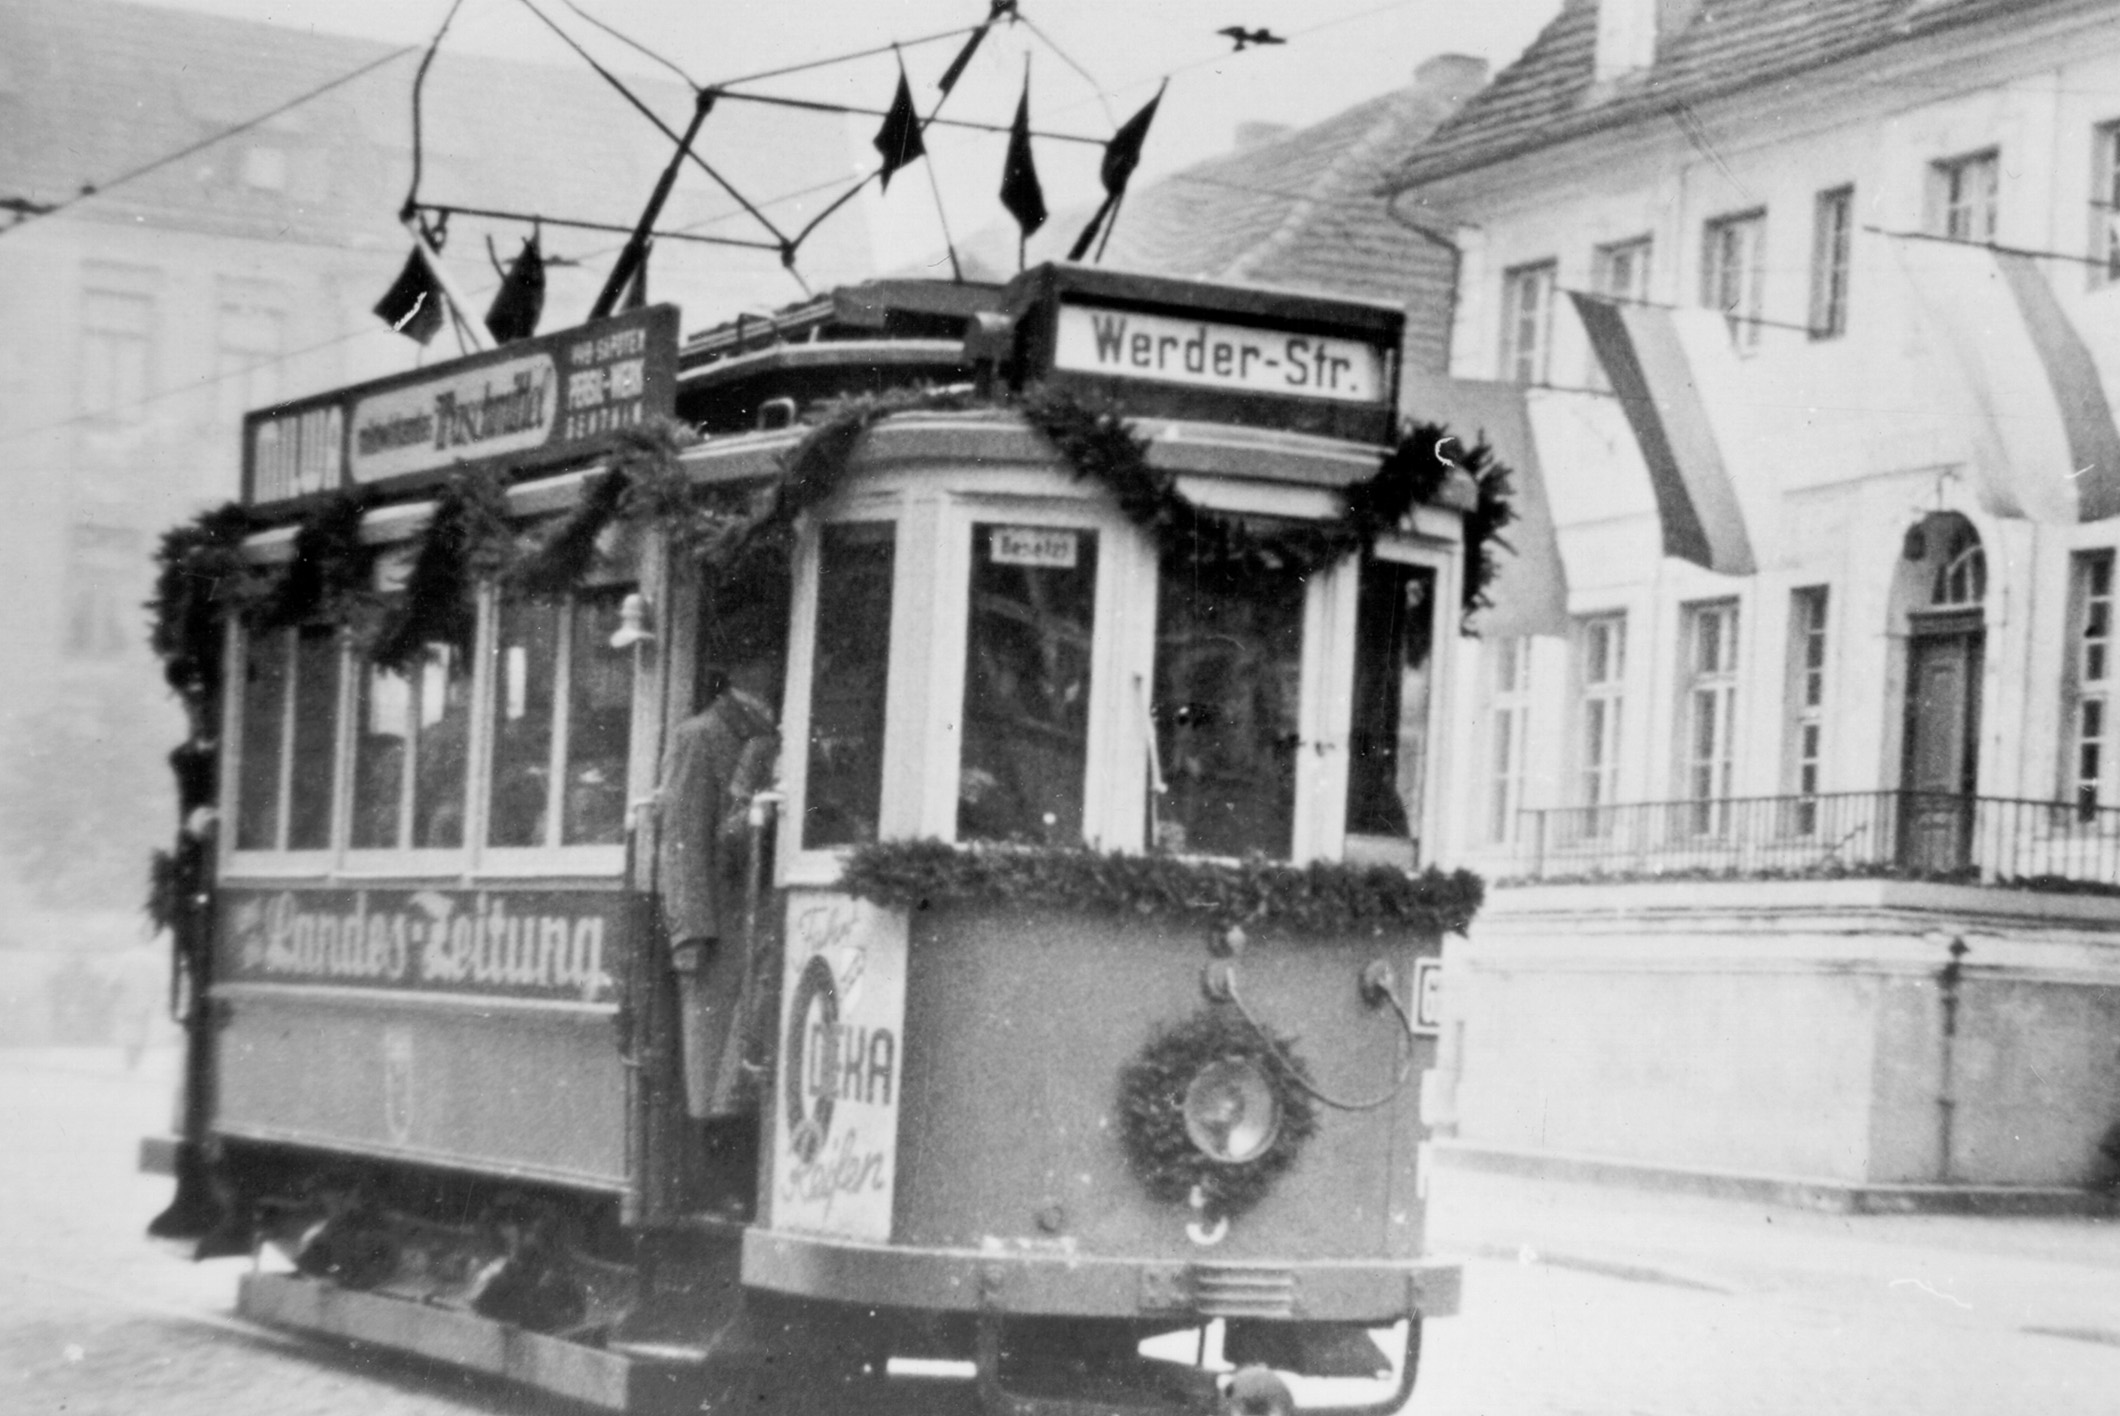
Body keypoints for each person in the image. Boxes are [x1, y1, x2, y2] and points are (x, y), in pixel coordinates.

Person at [656, 647, 781, 1214]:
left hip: (757, 917)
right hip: (719, 923)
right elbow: (681, 838)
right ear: (745, 669)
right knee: (714, 1058)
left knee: (744, 1051)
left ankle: (738, 1178)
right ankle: (715, 1181)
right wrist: (690, 931)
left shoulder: (772, 730)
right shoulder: (701, 736)